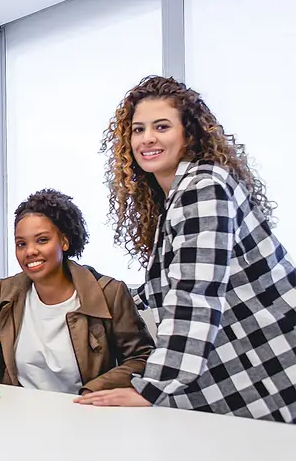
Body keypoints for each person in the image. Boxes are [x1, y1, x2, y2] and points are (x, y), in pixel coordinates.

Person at [76, 76, 296, 422]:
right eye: (138, 129)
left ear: (189, 134)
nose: (147, 138)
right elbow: (170, 282)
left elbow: (195, 295)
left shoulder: (203, 187)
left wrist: (152, 387)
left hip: (274, 363)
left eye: (161, 126)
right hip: (253, 364)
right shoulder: (182, 194)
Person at [0, 189, 154, 393]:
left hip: (84, 414)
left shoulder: (110, 293)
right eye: (21, 244)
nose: (30, 251)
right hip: (17, 416)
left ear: (64, 240)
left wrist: (95, 390)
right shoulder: (5, 292)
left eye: (42, 240)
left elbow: (142, 358)